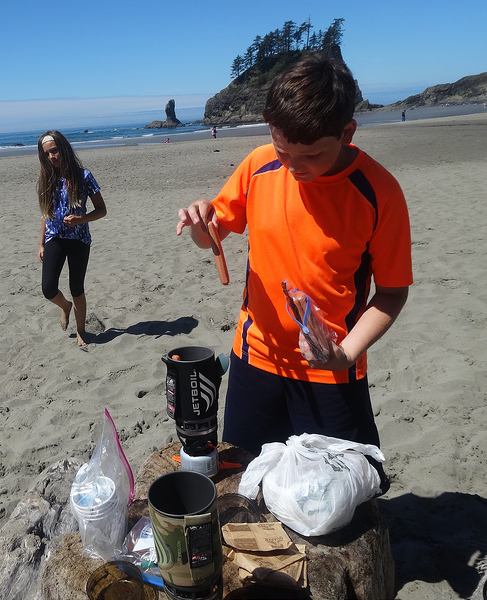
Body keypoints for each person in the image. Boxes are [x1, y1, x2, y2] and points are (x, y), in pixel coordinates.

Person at [176, 54, 412, 492]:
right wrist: (199, 224)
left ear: (346, 133)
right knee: (244, 486)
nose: (292, 167)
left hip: (332, 369)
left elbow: (393, 292)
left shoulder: (378, 191)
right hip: (257, 359)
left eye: (309, 156)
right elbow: (213, 238)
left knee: (343, 494)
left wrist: (345, 353)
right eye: (283, 150)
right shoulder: (260, 165)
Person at [37, 131, 107, 347]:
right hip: (54, 238)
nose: (51, 157)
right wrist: (40, 243)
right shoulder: (47, 179)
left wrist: (81, 219)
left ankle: (81, 331)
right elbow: (45, 213)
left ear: (64, 149)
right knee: (48, 288)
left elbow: (102, 210)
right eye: (46, 153)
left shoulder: (83, 176)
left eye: (55, 151)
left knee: (77, 287)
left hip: (79, 239)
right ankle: (65, 307)